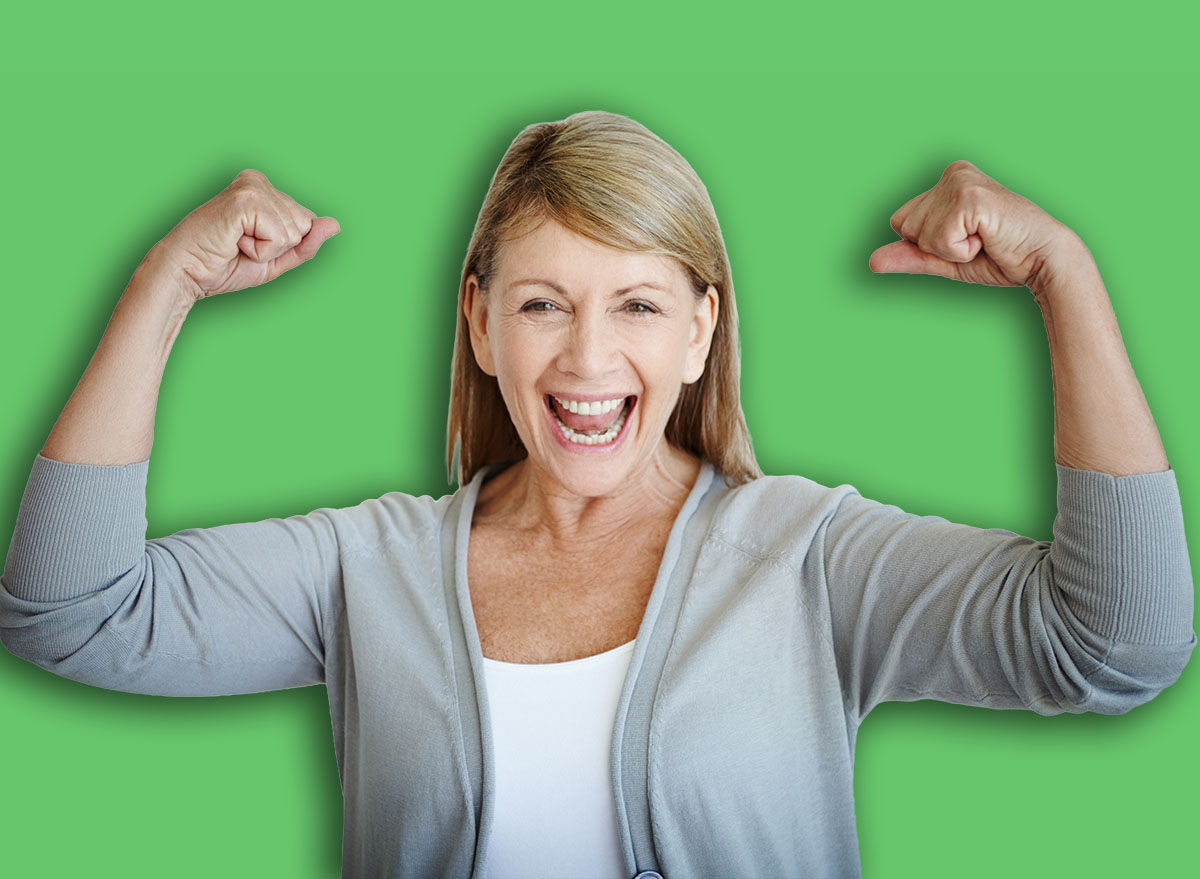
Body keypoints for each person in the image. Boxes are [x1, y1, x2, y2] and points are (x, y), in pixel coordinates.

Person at [0, 110, 1193, 878]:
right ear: (478, 323)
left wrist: (1063, 277)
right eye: (541, 303)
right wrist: (165, 287)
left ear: (698, 332)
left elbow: (1116, 646)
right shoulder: (365, 568)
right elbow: (72, 613)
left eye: (637, 304)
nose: (585, 359)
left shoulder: (809, 558)